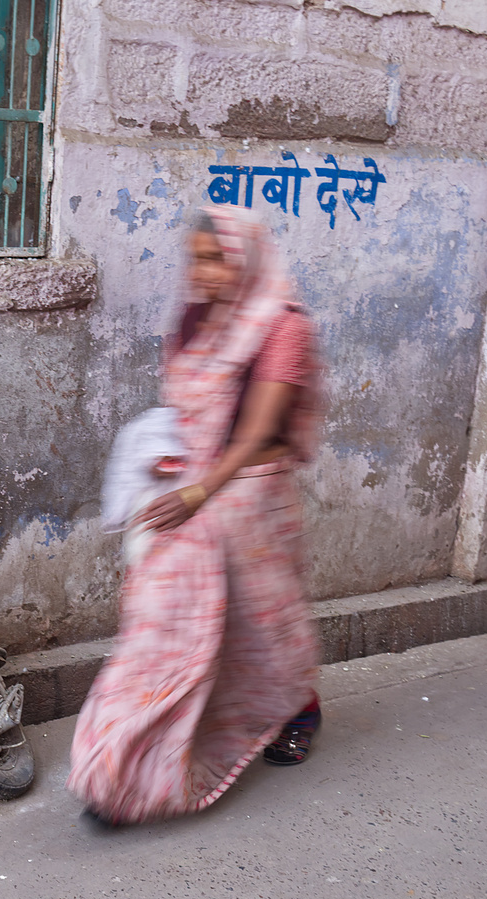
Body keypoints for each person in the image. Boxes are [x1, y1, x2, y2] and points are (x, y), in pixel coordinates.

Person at [68, 206, 324, 826]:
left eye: (217, 258)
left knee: (263, 627)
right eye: (196, 258)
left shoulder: (281, 329)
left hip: (251, 494)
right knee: (162, 625)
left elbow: (259, 430)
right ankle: (125, 765)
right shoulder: (191, 319)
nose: (203, 271)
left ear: (246, 259)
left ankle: (298, 709)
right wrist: (168, 464)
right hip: (195, 488)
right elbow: (185, 412)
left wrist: (198, 492)